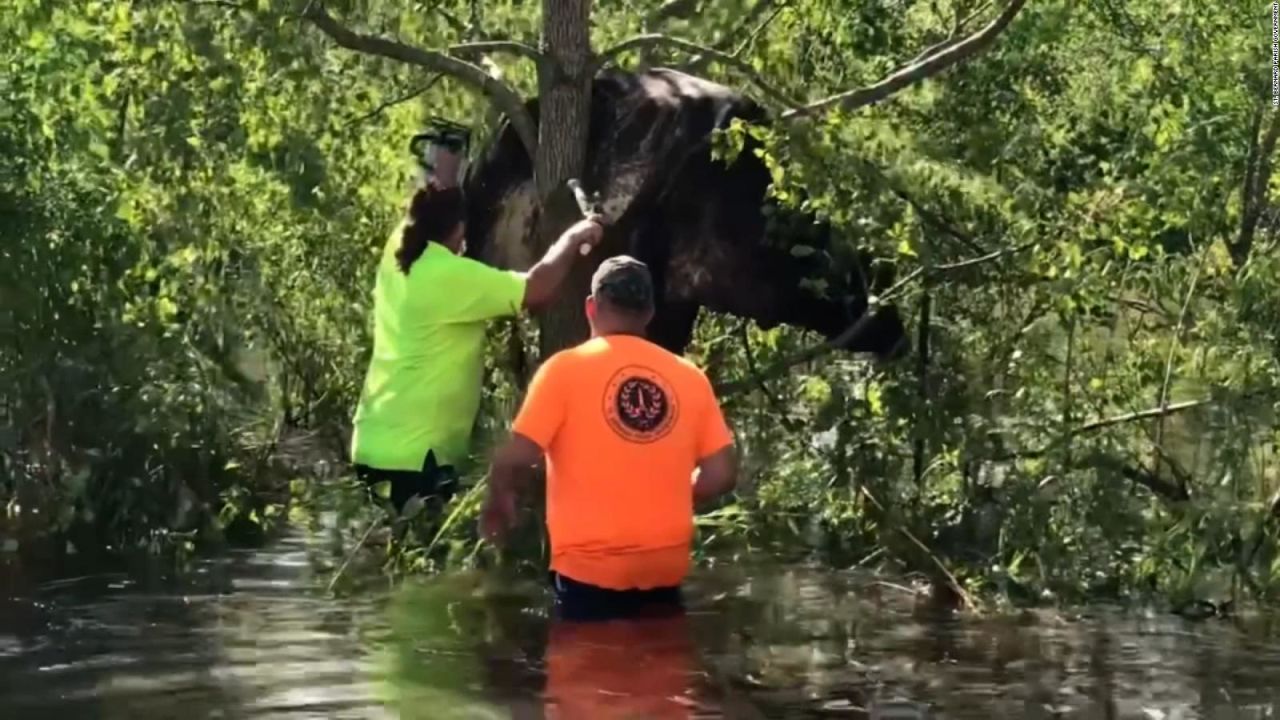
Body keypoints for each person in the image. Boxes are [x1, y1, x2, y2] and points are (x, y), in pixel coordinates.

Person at [480, 256, 738, 620]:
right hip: (664, 564)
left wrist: (499, 502)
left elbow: (515, 459)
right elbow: (722, 474)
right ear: (649, 313)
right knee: (659, 669)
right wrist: (676, 496)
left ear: (591, 307)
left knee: (586, 670)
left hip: (589, 567)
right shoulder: (689, 377)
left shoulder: (564, 370)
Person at [351, 183, 603, 513]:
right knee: (425, 555)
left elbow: (427, 205)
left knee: (384, 556)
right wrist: (574, 237)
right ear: (458, 228)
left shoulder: (397, 250)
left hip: (372, 443)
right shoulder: (448, 275)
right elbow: (537, 288)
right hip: (416, 460)